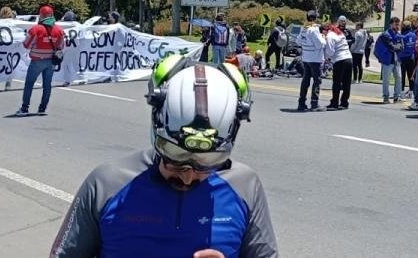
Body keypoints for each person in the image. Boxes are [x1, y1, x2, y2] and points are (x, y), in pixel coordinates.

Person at [51, 54, 277, 257]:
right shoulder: (106, 182)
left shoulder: (245, 185)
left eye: (208, 162)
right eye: (175, 157)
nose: (188, 177)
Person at [16, 5, 65, 116]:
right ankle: (42, 109)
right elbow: (61, 46)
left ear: (41, 16)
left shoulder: (35, 29)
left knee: (29, 84)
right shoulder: (59, 30)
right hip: (51, 61)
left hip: (37, 60)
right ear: (52, 15)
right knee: (47, 85)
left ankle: (24, 108)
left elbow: (26, 45)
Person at [296, 11, 325, 112]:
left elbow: (298, 41)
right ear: (314, 18)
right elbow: (319, 44)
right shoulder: (314, 29)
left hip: (306, 58)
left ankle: (301, 102)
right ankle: (314, 103)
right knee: (317, 81)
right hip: (315, 58)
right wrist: (323, 38)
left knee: (305, 80)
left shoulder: (303, 28)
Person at [325, 18, 353, 110]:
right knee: (346, 83)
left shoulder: (330, 36)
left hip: (339, 60)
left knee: (336, 82)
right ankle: (344, 103)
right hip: (348, 58)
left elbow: (330, 52)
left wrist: (326, 58)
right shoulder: (340, 33)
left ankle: (334, 103)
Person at [374, 17, 402, 103]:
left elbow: (401, 47)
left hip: (396, 61)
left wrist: (396, 47)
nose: (397, 25)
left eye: (398, 23)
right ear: (390, 24)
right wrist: (396, 46)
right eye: (395, 23)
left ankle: (396, 97)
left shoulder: (398, 34)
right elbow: (391, 47)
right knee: (386, 80)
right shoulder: (385, 35)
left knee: (399, 78)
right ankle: (386, 97)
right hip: (387, 61)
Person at [398, 23, 417, 99]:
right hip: (411, 58)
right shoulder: (414, 35)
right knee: (411, 76)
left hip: (403, 58)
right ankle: (411, 92)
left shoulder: (402, 36)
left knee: (402, 76)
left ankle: (401, 92)